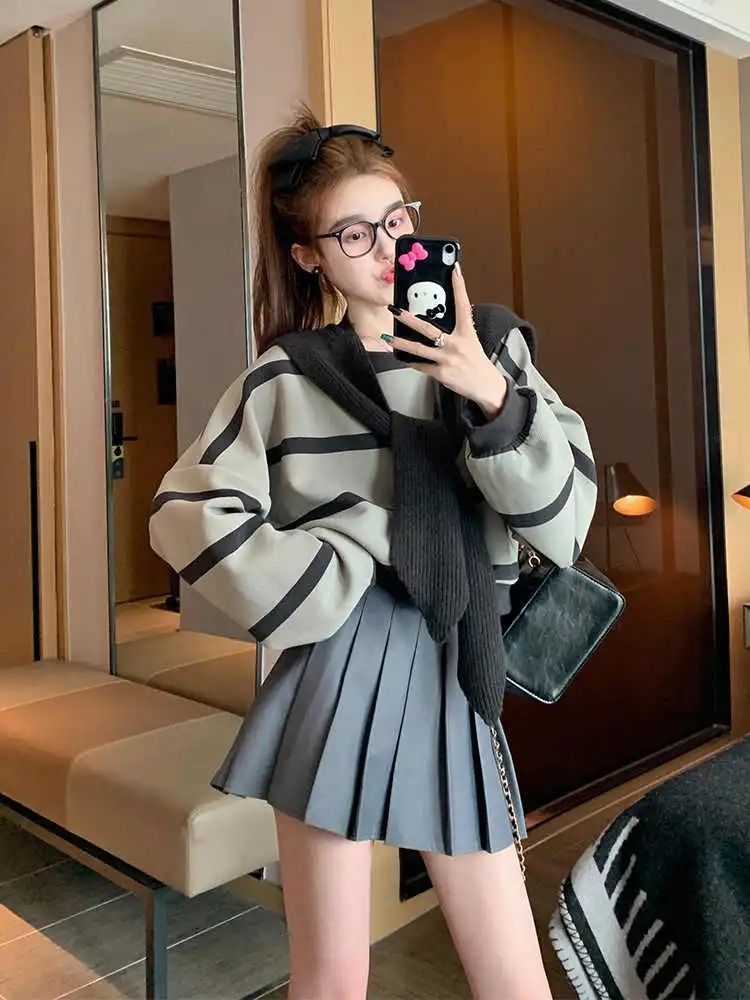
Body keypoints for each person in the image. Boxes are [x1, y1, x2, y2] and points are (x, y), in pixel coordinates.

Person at [148, 108, 597, 999]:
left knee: (515, 981)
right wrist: (341, 564)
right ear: (309, 255)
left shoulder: (493, 345)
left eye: (396, 221)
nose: (389, 248)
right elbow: (186, 511)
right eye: (354, 234)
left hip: (459, 657)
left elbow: (566, 520)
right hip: (344, 660)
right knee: (331, 980)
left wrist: (486, 392)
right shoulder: (287, 376)